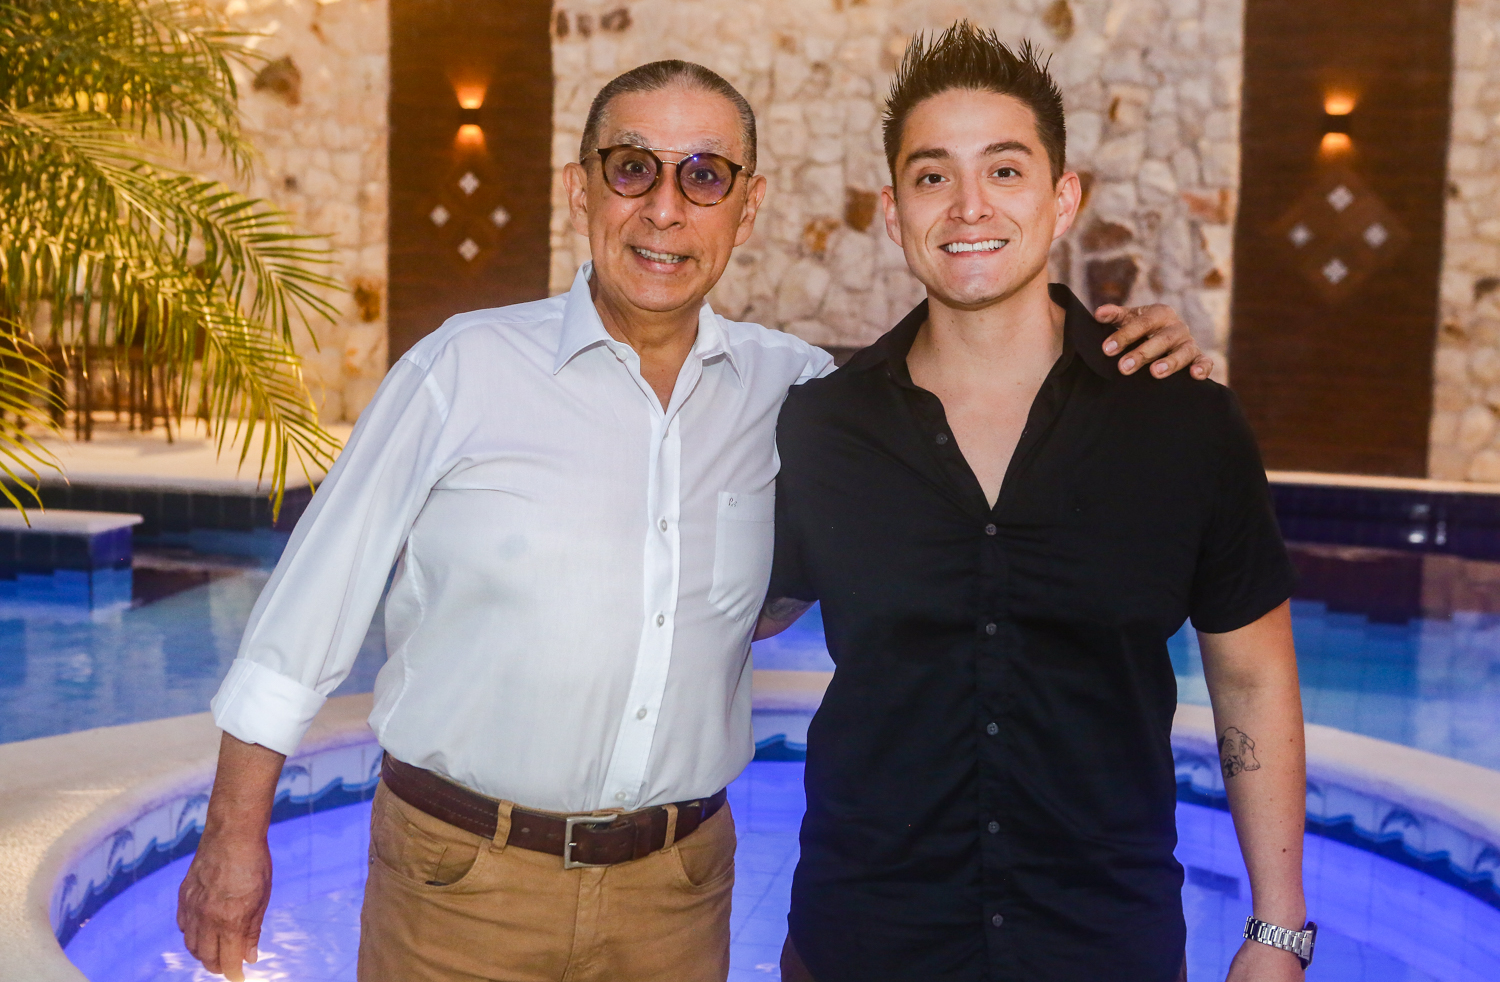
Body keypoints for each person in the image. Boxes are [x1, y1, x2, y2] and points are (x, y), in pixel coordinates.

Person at [175, 58, 1210, 982]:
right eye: (633, 169)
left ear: (746, 210)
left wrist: (1123, 347)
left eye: (704, 176)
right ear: (581, 189)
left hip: (674, 896)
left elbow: (957, 393)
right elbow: (308, 611)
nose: (665, 210)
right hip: (460, 885)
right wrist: (233, 836)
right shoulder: (463, 368)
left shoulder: (796, 392)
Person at [760, 22, 1311, 982]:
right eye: (933, 176)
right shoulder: (821, 428)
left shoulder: (1182, 423)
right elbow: (733, 613)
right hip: (864, 943)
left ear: (1063, 200)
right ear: (893, 212)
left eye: (1005, 170)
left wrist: (1278, 928)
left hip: (1103, 946)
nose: (969, 206)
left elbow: (1254, 679)